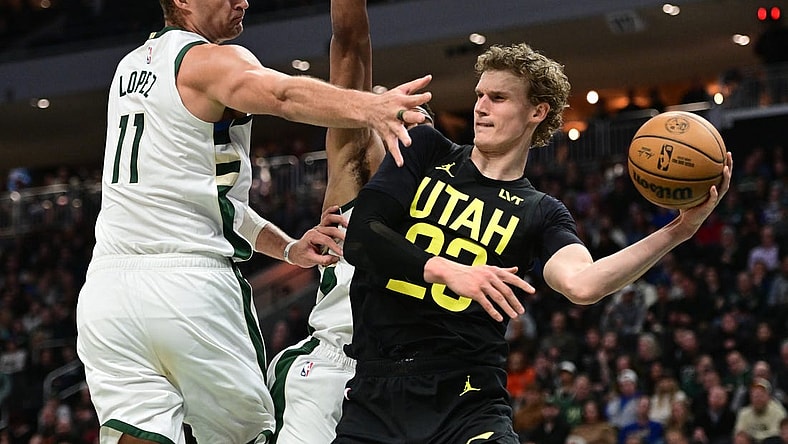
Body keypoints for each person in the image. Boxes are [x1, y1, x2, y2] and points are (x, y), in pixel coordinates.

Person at [332, 42, 733, 443]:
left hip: (467, 399)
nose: (480, 107)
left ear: (536, 112)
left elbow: (584, 284)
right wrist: (448, 270)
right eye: (479, 96)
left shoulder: (542, 211)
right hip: (377, 391)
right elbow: (364, 237)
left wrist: (678, 231)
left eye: (498, 97)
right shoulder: (426, 149)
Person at [75, 0, 433, 443]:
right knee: (247, 436)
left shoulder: (129, 69)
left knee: (140, 429)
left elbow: (216, 201)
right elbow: (286, 91)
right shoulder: (209, 61)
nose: (244, 1)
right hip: (189, 286)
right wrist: (369, 107)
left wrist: (286, 248)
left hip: (108, 292)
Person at [264, 0, 434, 442]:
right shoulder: (356, 178)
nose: (401, 126)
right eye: (386, 116)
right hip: (331, 367)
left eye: (414, 120)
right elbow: (351, 44)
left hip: (413, 377)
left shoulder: (453, 208)